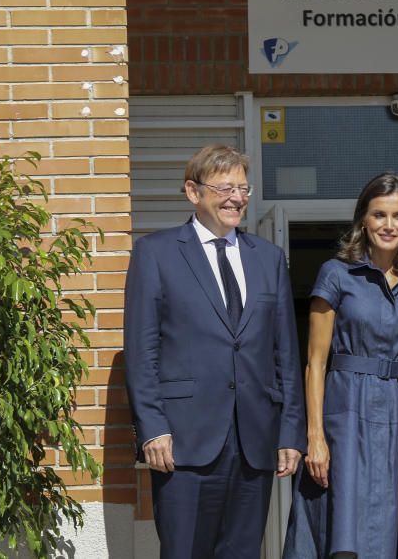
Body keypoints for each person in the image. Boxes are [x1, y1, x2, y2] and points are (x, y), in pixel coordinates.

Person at [124, 144, 306, 558]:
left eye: (243, 188)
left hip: (254, 440)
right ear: (193, 192)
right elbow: (141, 350)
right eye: (225, 188)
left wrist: (291, 431)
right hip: (184, 440)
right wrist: (152, 426)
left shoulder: (270, 259)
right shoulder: (156, 253)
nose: (237, 198)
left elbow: (285, 355)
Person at [283, 173, 398, 559]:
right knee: (342, 524)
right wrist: (315, 437)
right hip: (345, 411)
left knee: (397, 524)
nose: (388, 225)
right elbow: (315, 362)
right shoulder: (336, 273)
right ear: (363, 219)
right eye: (379, 215)